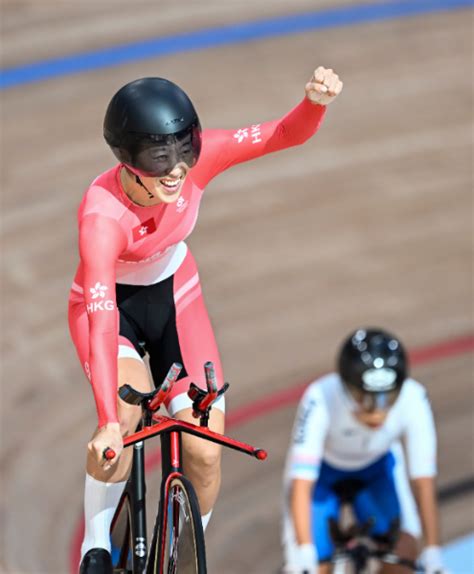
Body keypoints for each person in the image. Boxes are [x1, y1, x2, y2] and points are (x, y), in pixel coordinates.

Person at [68, 67, 343, 573]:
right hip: (108, 309)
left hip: (175, 295)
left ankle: (184, 553)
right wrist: (108, 421)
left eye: (184, 150)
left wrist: (314, 103)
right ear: (126, 162)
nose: (176, 170)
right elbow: (104, 320)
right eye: (158, 157)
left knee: (205, 448)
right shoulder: (101, 218)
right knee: (124, 422)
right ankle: (96, 545)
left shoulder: (196, 162)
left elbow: (284, 132)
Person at [282, 328, 448, 574]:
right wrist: (305, 553)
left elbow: (423, 482)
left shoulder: (414, 398)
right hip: (322, 478)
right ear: (345, 386)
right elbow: (302, 484)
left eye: (387, 398)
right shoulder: (320, 397)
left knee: (404, 557)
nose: (376, 411)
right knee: (311, 567)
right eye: (363, 398)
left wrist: (433, 552)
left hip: (377, 470)